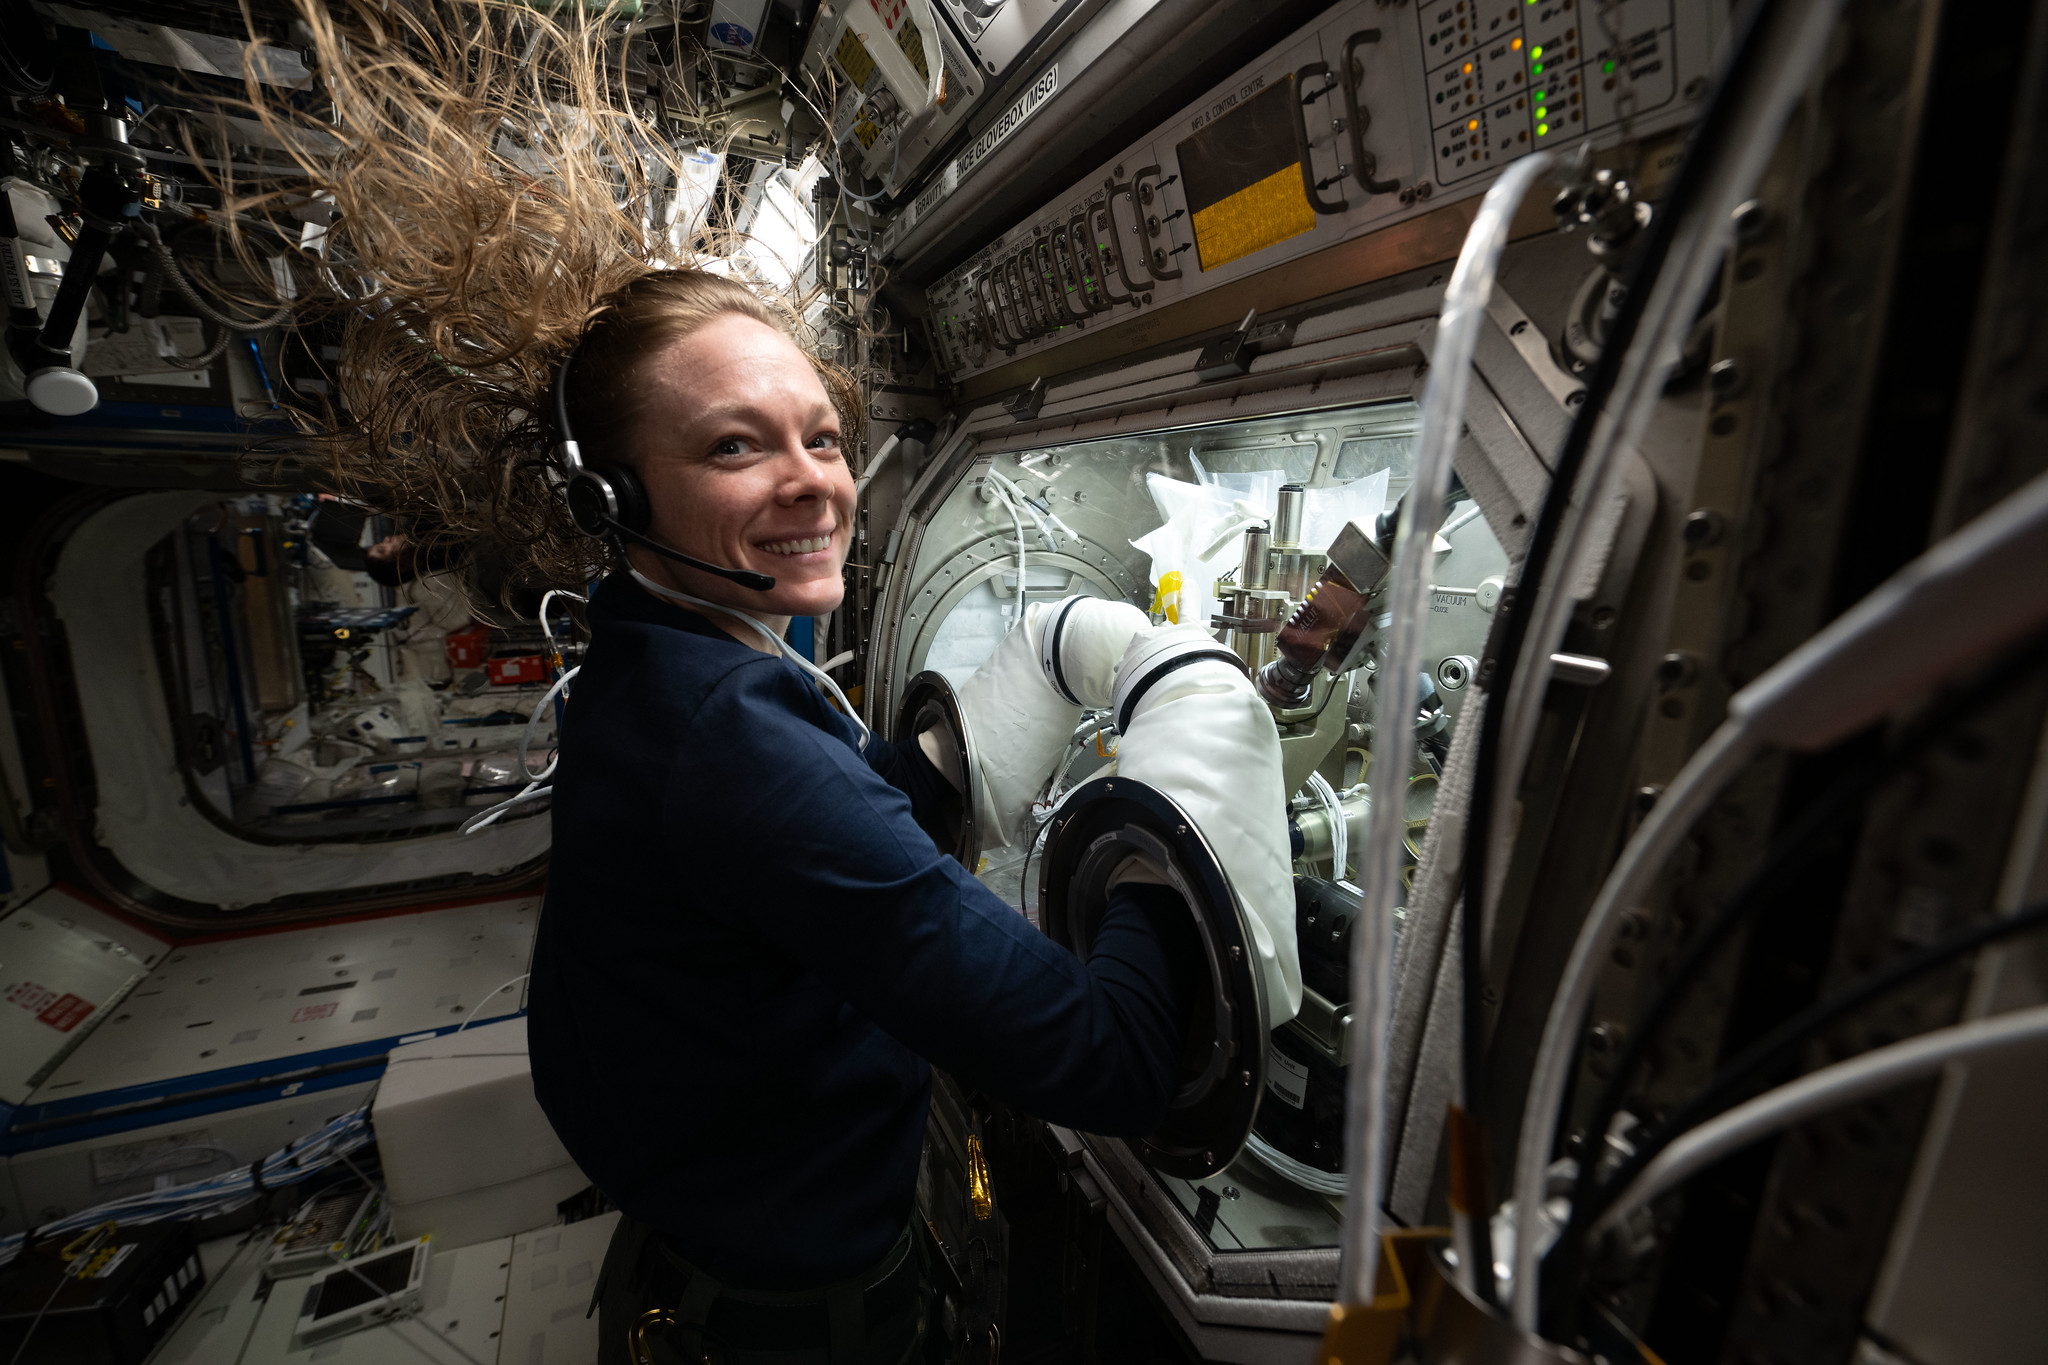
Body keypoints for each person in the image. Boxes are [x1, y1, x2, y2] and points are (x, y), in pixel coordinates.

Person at [214, 4, 1199, 1359]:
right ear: (617, 496)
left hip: (701, 1237)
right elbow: (1113, 1063)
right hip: (798, 1317)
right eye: (737, 447)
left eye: (820, 434)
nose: (815, 482)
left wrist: (935, 762)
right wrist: (1164, 821)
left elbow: (802, 839)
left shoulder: (653, 646)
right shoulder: (728, 741)